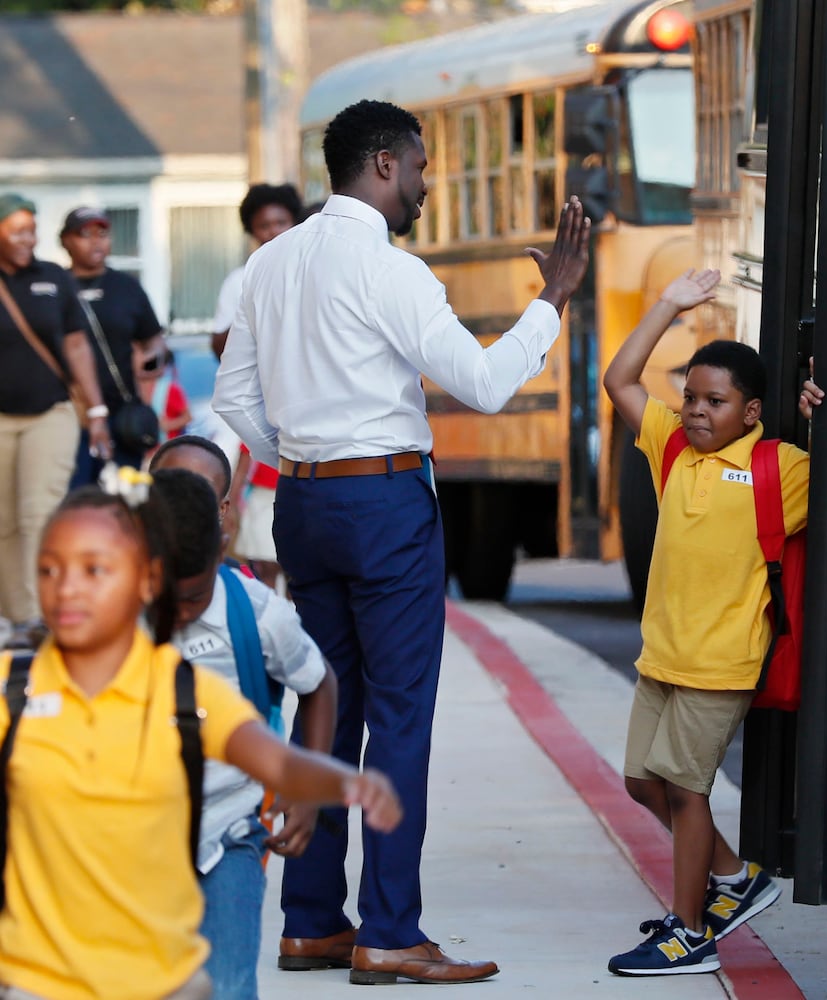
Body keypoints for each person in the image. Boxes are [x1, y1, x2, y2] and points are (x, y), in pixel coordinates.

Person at [212, 98, 590, 985]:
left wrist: (303, 459)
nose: (424, 186)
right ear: (383, 165)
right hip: (383, 508)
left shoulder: (269, 263)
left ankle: (310, 925)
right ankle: (389, 931)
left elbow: (234, 399)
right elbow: (488, 385)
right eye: (419, 168)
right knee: (402, 720)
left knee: (326, 709)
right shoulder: (394, 271)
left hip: (306, 506)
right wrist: (554, 300)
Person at [0, 466, 401, 1000]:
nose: (70, 588)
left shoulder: (203, 669)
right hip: (108, 870)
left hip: (224, 829)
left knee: (228, 985)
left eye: (94, 570)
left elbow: (279, 744)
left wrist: (325, 785)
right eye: (51, 571)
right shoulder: (22, 688)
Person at [601, 270, 827, 977]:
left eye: (713, 402)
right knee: (640, 782)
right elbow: (619, 379)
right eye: (689, 397)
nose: (694, 411)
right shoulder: (668, 450)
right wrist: (667, 303)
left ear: (750, 411)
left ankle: (689, 932)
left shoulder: (775, 468)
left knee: (686, 791)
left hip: (720, 664)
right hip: (661, 657)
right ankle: (738, 879)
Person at [150, 465, 338, 999]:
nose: (183, 611)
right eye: (171, 597)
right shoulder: (112, 621)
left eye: (194, 598)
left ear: (221, 549)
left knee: (229, 986)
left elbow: (321, 683)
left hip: (229, 829)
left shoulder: (258, 614)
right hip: (135, 834)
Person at [0, 193, 112, 651]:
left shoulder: (52, 278)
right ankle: (14, 615)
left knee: (38, 511)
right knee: (4, 520)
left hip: (52, 411)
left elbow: (77, 346)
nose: (28, 238)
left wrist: (98, 410)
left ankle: (36, 614)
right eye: (17, 230)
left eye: (31, 229)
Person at [212, 184, 321, 591]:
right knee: (262, 540)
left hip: (304, 411)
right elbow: (223, 350)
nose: (273, 232)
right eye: (264, 226)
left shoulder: (311, 271)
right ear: (252, 230)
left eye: (281, 223)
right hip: (259, 408)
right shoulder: (243, 278)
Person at [59, 205, 166, 487]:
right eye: (85, 234)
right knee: (73, 500)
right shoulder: (55, 287)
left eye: (102, 233)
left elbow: (153, 340)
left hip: (122, 416)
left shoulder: (127, 287)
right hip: (70, 417)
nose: (96, 241)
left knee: (122, 500)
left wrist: (151, 362)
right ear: (66, 241)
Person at [138, 348, 192, 448]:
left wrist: (168, 425)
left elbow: (188, 417)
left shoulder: (171, 389)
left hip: (166, 449)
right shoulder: (132, 389)